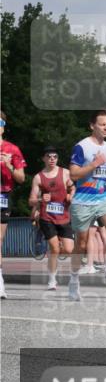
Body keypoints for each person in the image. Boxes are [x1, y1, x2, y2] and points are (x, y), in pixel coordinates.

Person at [68, 110, 106, 300]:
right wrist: (94, 164)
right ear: (92, 125)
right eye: (102, 124)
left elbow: (104, 173)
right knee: (81, 244)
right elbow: (73, 174)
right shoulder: (81, 146)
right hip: (83, 200)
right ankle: (74, 279)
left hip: (104, 196)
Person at [29, 147, 76, 290]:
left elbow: (73, 188)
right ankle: (52, 280)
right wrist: (40, 199)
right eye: (49, 156)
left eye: (55, 157)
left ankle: (57, 248)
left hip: (64, 217)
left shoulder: (65, 173)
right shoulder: (38, 177)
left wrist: (71, 196)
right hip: (47, 217)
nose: (52, 159)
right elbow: (31, 200)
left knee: (69, 249)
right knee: (54, 249)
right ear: (43, 158)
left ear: (57, 158)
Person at [0, 110, 27, 298]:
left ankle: (0, 282)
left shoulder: (12, 149)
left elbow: (21, 178)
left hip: (3, 195)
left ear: (3, 127)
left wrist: (9, 165)